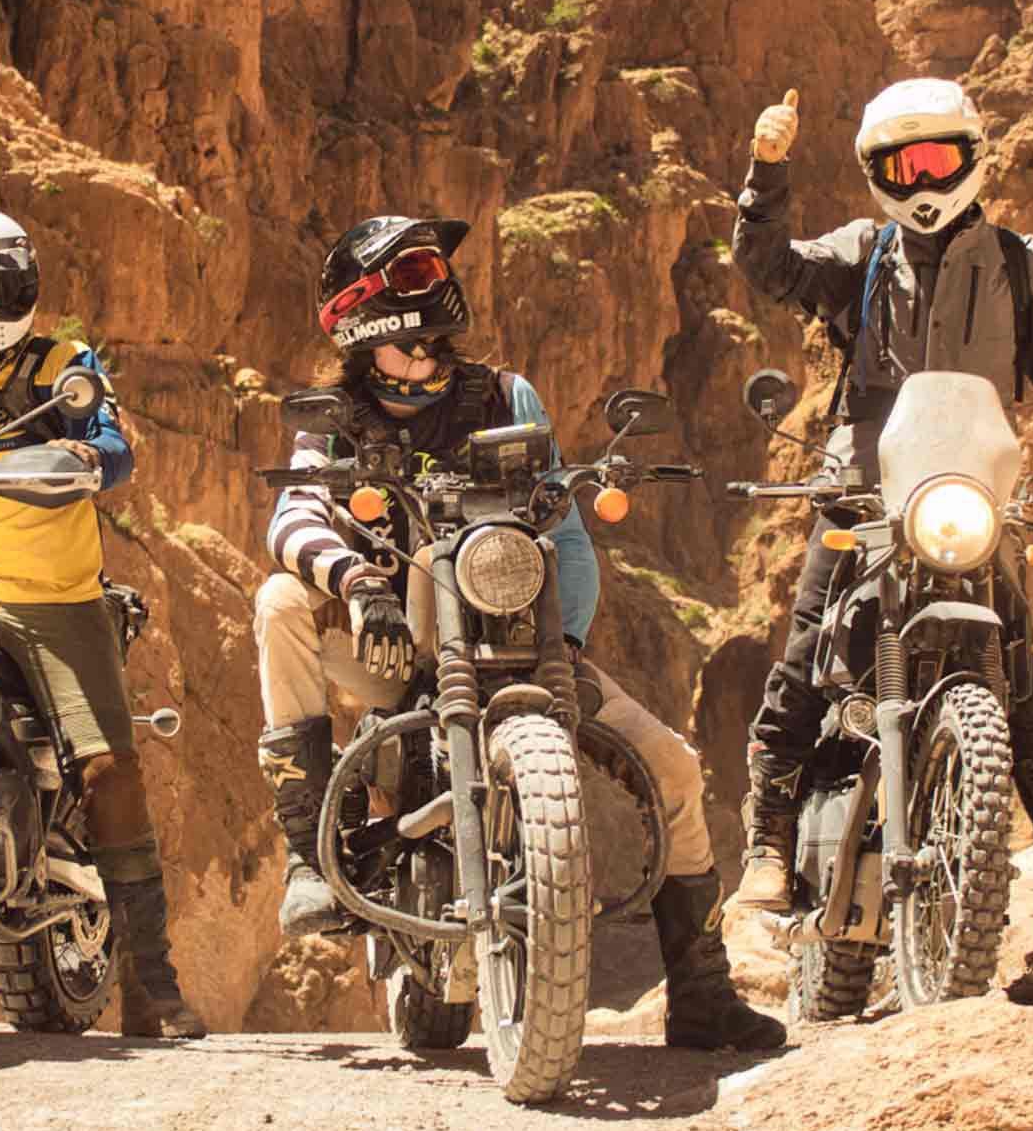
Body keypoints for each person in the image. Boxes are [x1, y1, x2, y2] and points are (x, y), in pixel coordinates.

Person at [253, 214, 785, 1051]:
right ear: (364, 330)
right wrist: (359, 585)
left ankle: (703, 993)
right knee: (280, 602)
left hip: (520, 643)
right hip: (392, 648)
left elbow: (566, 537)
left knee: (676, 769)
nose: (426, 355)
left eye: (434, 339)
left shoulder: (507, 395)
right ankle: (308, 858)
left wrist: (564, 645)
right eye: (409, 340)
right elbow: (293, 516)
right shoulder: (336, 418)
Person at [728, 80, 1033, 909]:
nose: (921, 181)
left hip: (974, 478)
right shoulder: (860, 253)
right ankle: (768, 845)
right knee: (808, 651)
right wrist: (766, 170)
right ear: (878, 173)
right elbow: (770, 267)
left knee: (1020, 664)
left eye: (937, 160)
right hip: (863, 482)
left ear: (971, 157)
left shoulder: (1019, 264)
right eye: (902, 164)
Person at [0, 195, 205, 1039]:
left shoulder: (65, 366)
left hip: (54, 598)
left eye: (0, 289)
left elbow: (115, 444)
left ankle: (153, 986)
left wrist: (86, 453)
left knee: (108, 771)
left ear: (25, 286)